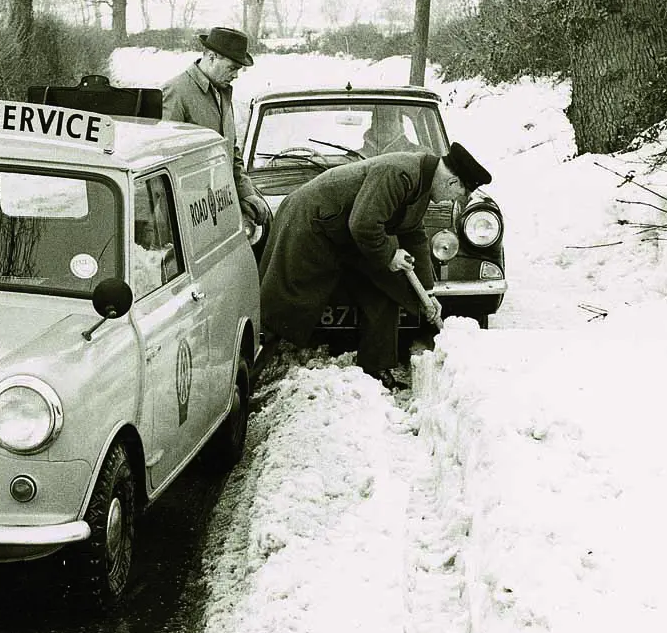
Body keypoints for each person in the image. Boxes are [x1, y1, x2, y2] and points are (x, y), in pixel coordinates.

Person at [257, 143, 492, 389]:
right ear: (453, 183)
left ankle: (375, 368)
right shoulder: (398, 173)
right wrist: (390, 255)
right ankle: (250, 372)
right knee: (284, 303)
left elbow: (413, 233)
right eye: (455, 196)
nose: (450, 201)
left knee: (386, 289)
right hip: (311, 223)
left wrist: (428, 293)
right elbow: (363, 224)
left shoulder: (424, 181)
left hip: (345, 233)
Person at [161, 26, 271, 226]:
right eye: (232, 68)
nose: (236, 75)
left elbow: (231, 152)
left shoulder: (222, 93)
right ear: (212, 56)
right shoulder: (176, 92)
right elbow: (165, 162)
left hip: (219, 207)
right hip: (188, 214)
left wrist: (246, 193)